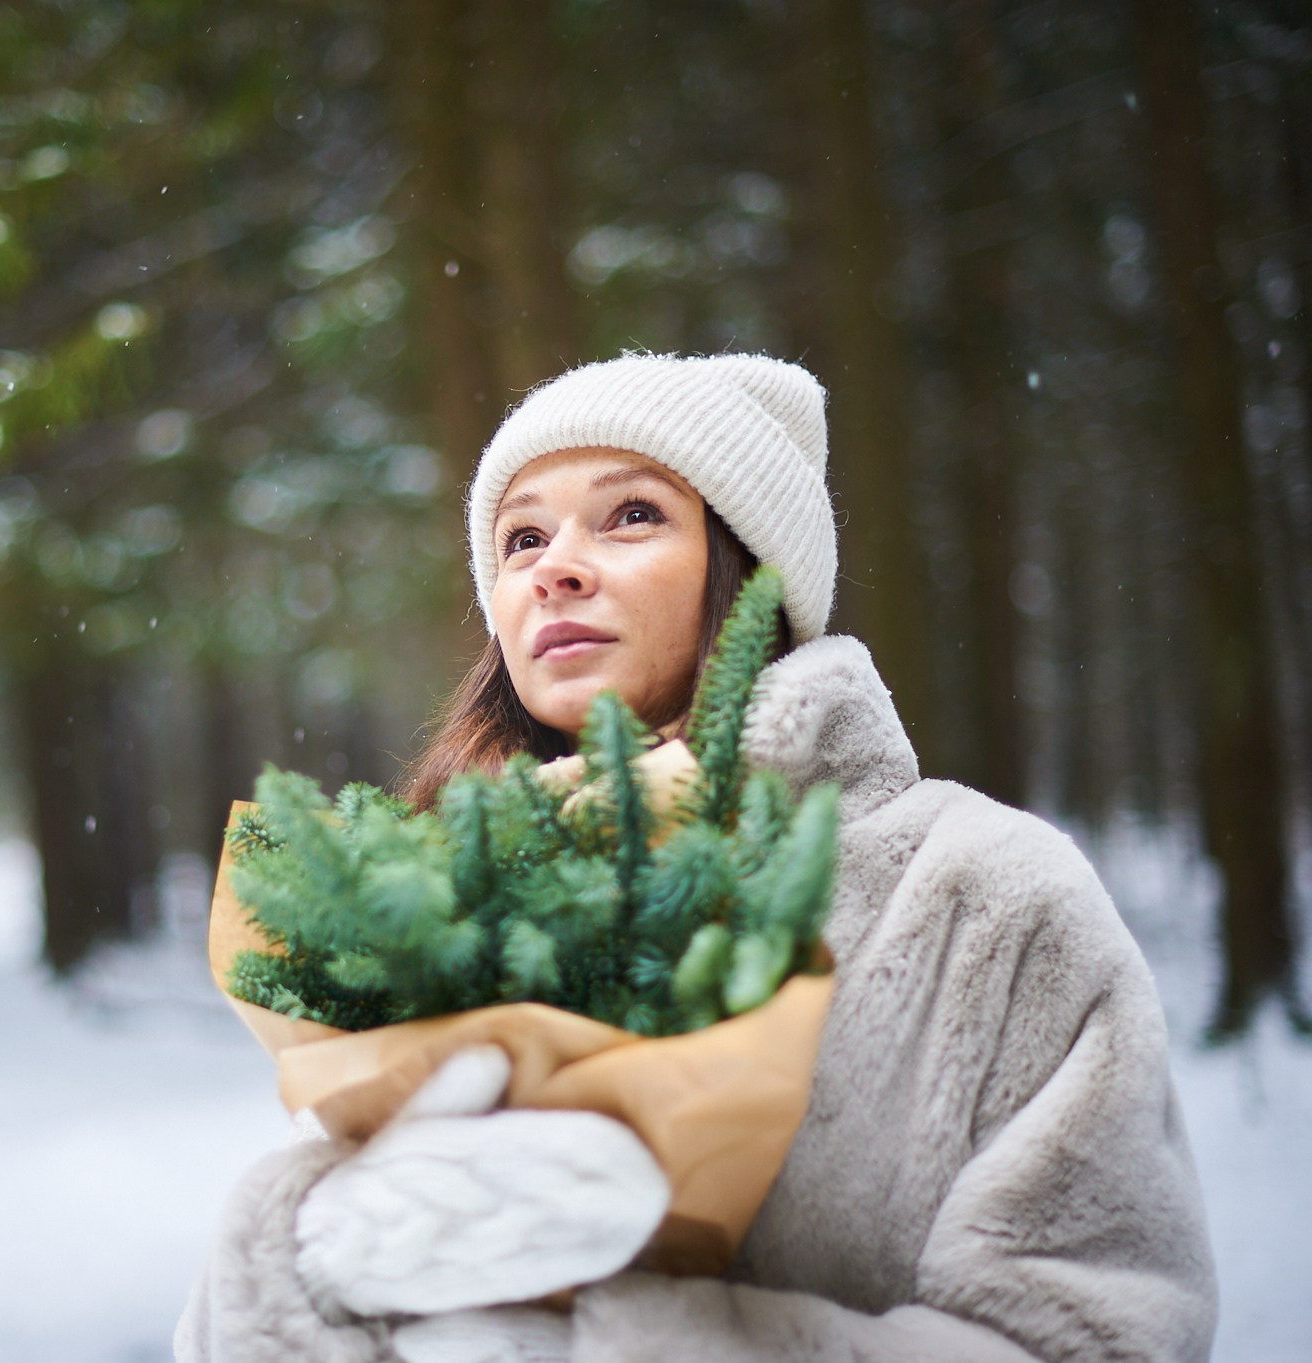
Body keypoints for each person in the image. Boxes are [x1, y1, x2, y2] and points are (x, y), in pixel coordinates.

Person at [176, 353, 1218, 1363]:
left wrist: (649, 1345)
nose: (556, 567)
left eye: (631, 515)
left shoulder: (977, 891)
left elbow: (1098, 1331)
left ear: (751, 568)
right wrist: (313, 1272)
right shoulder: (422, 897)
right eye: (520, 537)